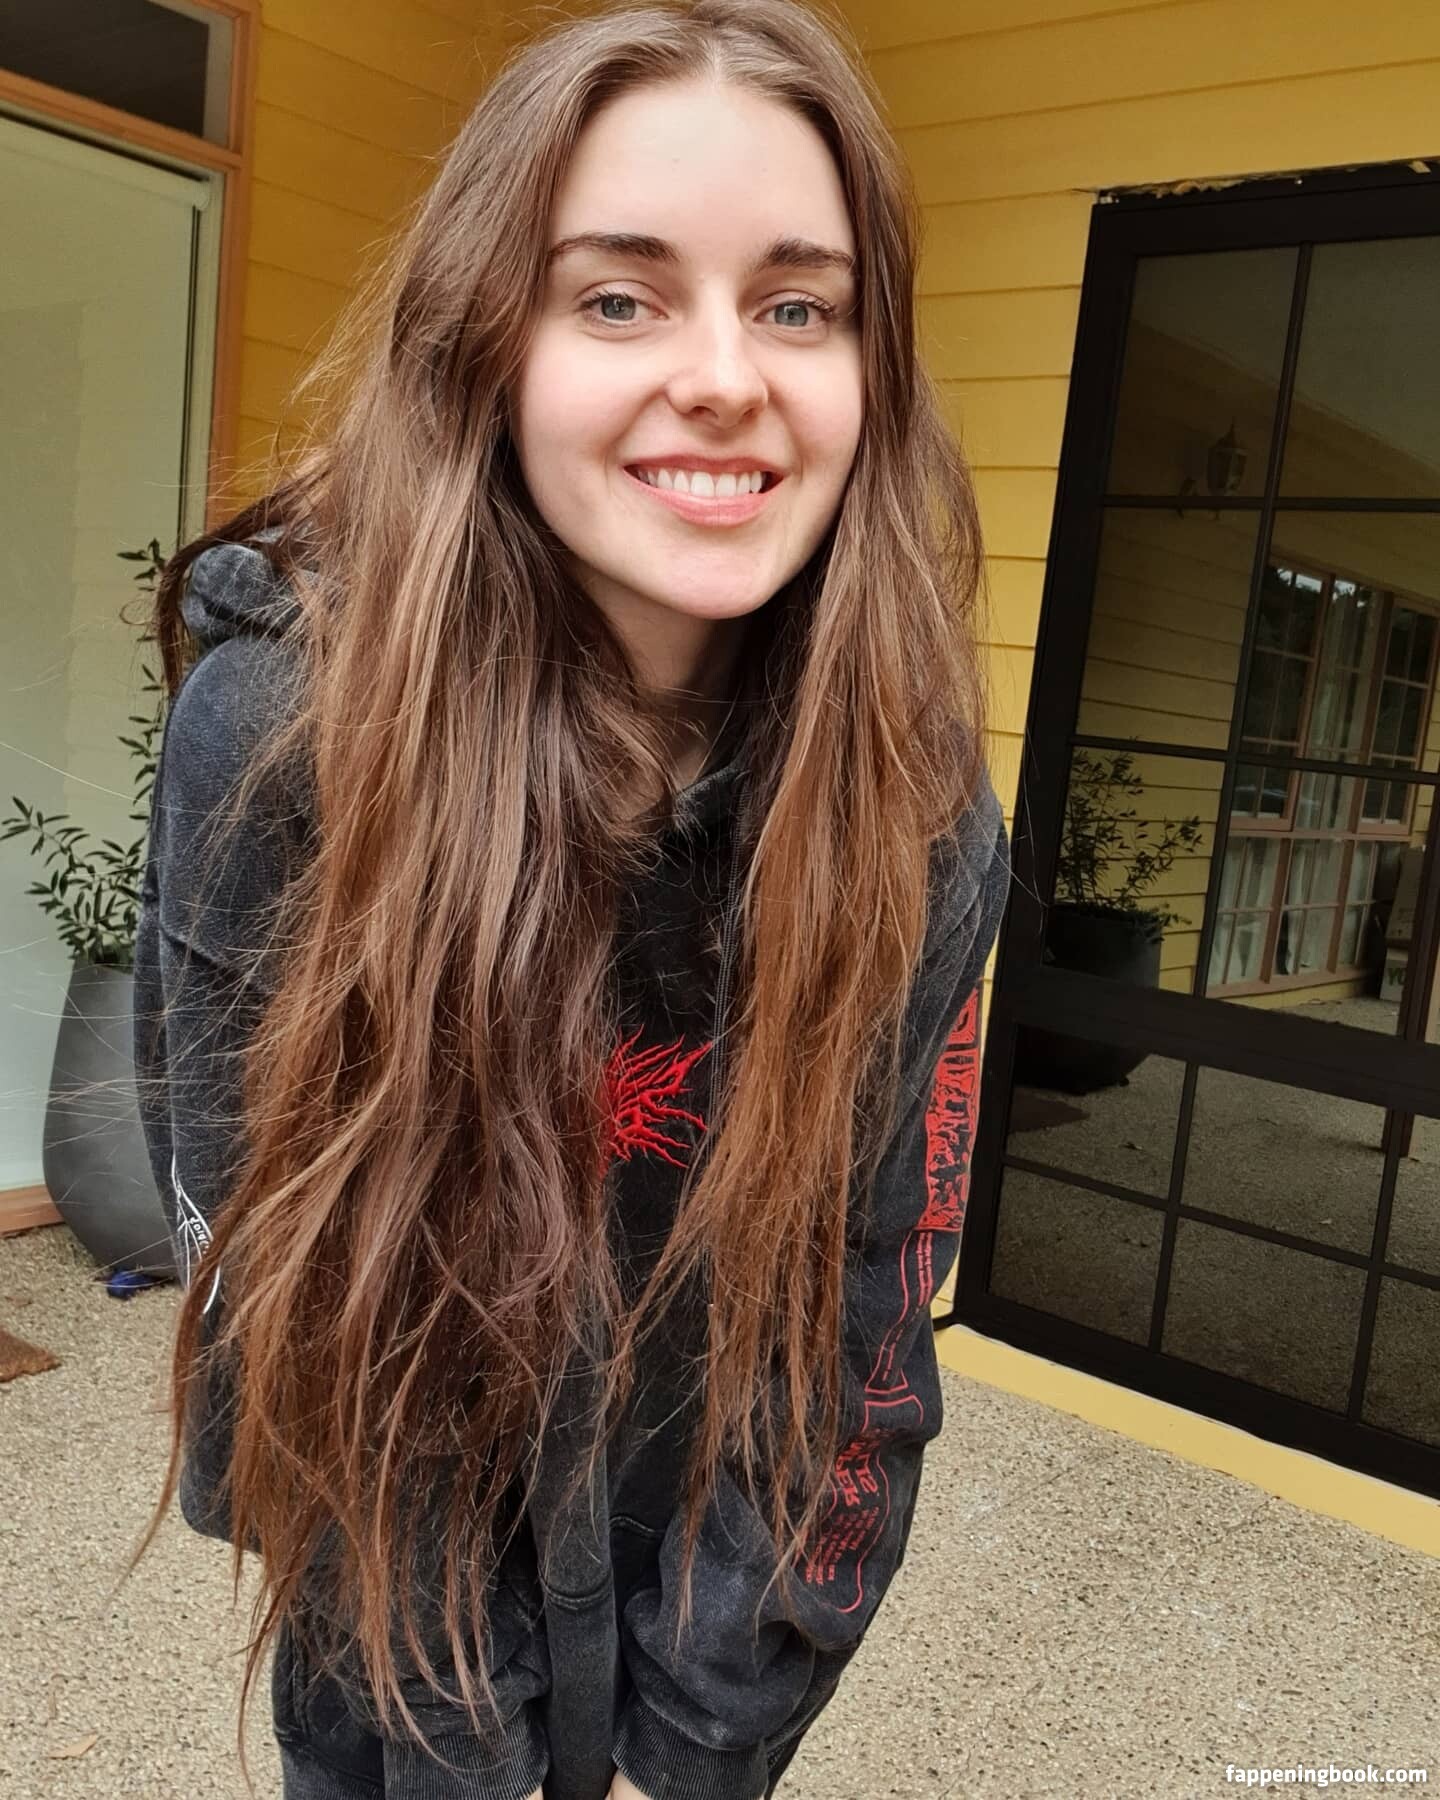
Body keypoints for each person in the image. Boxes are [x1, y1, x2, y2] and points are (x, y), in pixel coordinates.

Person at [128, 2, 1011, 1797]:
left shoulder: (912, 800)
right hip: (394, 1645)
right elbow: (291, 1318)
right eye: (620, 297)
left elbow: (859, 1317)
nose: (726, 375)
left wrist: (699, 1733)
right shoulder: (286, 734)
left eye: (799, 305)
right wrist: (480, 1749)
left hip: (698, 1628)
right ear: (487, 340)